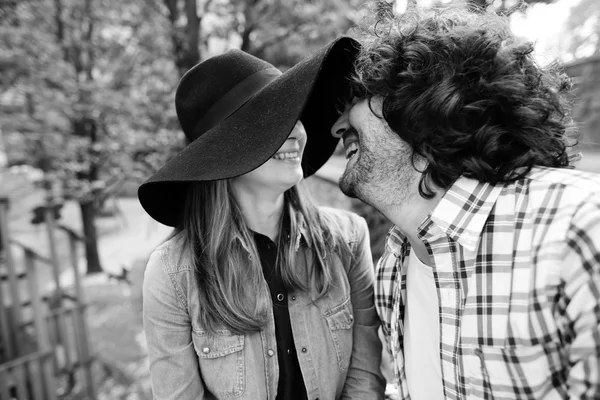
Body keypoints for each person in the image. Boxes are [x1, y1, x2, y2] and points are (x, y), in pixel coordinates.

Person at [330, 4, 600, 400]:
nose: (336, 127)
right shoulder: (394, 267)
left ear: (423, 111)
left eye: (358, 98)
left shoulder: (578, 226)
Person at [138, 37, 386, 400]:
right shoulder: (173, 275)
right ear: (225, 153)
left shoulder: (347, 240)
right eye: (270, 123)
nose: (297, 133)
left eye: (294, 116)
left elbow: (365, 380)